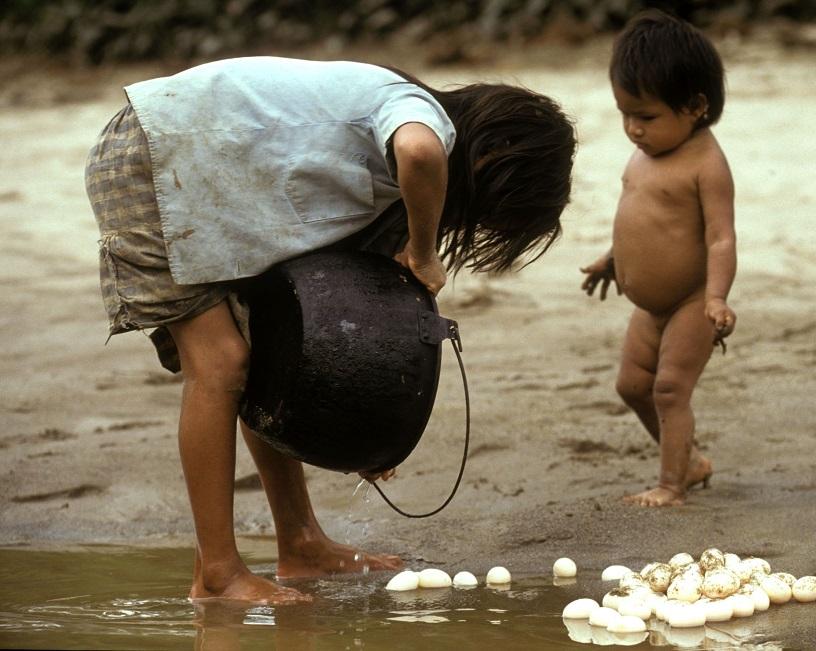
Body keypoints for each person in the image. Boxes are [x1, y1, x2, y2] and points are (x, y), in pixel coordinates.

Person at [85, 56, 576, 603]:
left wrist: (361, 436)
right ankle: (217, 574)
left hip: (202, 173)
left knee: (259, 358)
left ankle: (300, 542)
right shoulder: (419, 114)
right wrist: (424, 249)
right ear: (487, 160)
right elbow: (419, 152)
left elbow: (329, 333)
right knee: (220, 364)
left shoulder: (374, 173)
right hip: (151, 156)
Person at [581, 10, 737, 507]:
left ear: (694, 106)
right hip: (649, 307)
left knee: (669, 390)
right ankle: (690, 461)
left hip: (692, 302)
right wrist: (612, 259)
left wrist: (716, 297)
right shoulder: (644, 154)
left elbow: (719, 238)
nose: (633, 129)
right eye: (625, 114)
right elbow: (639, 220)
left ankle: (672, 483)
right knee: (632, 386)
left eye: (646, 117)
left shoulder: (706, 165)